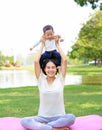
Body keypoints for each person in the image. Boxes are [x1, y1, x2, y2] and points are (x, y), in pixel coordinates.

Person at [21, 30, 75, 130]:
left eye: (53, 67)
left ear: (56, 69)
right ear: (44, 69)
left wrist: (57, 44)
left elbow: (65, 60)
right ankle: (54, 128)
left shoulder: (60, 79)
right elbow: (36, 61)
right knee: (24, 121)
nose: (50, 70)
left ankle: (46, 127)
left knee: (71, 118)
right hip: (42, 117)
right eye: (48, 68)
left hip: (59, 116)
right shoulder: (41, 80)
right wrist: (42, 44)